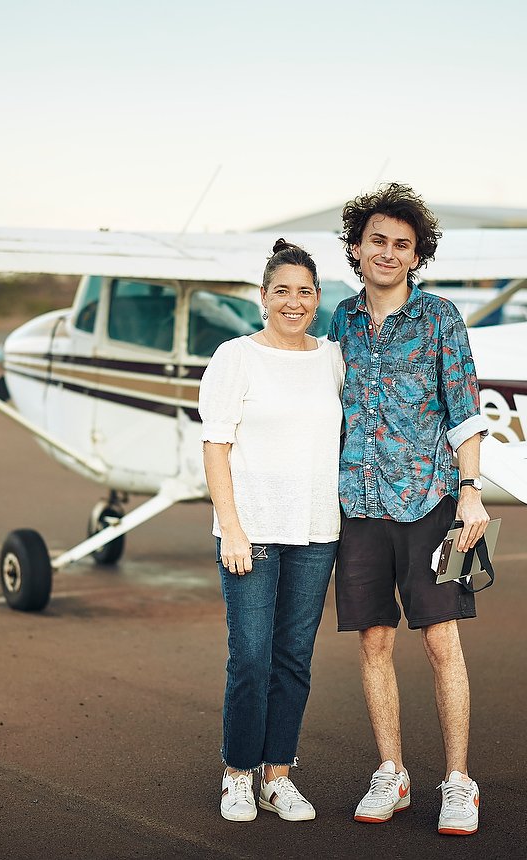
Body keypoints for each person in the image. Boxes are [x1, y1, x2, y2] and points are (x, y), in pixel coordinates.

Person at [327, 183, 492, 836]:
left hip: (431, 504)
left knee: (441, 640)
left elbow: (465, 409)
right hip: (360, 506)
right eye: (377, 241)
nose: (388, 253)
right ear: (356, 248)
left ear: (417, 255)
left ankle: (458, 781)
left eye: (402, 244)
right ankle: (391, 772)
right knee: (373, 640)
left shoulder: (441, 318)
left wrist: (471, 491)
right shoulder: (340, 321)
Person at [199, 238, 345, 823]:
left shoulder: (333, 358)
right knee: (251, 657)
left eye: (304, 292)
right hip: (251, 530)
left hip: (317, 530)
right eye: (281, 291)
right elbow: (216, 445)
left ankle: (277, 775)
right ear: (263, 297)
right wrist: (231, 529)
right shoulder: (235, 357)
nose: (293, 302)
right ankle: (238, 773)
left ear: (317, 299)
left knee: (294, 658)